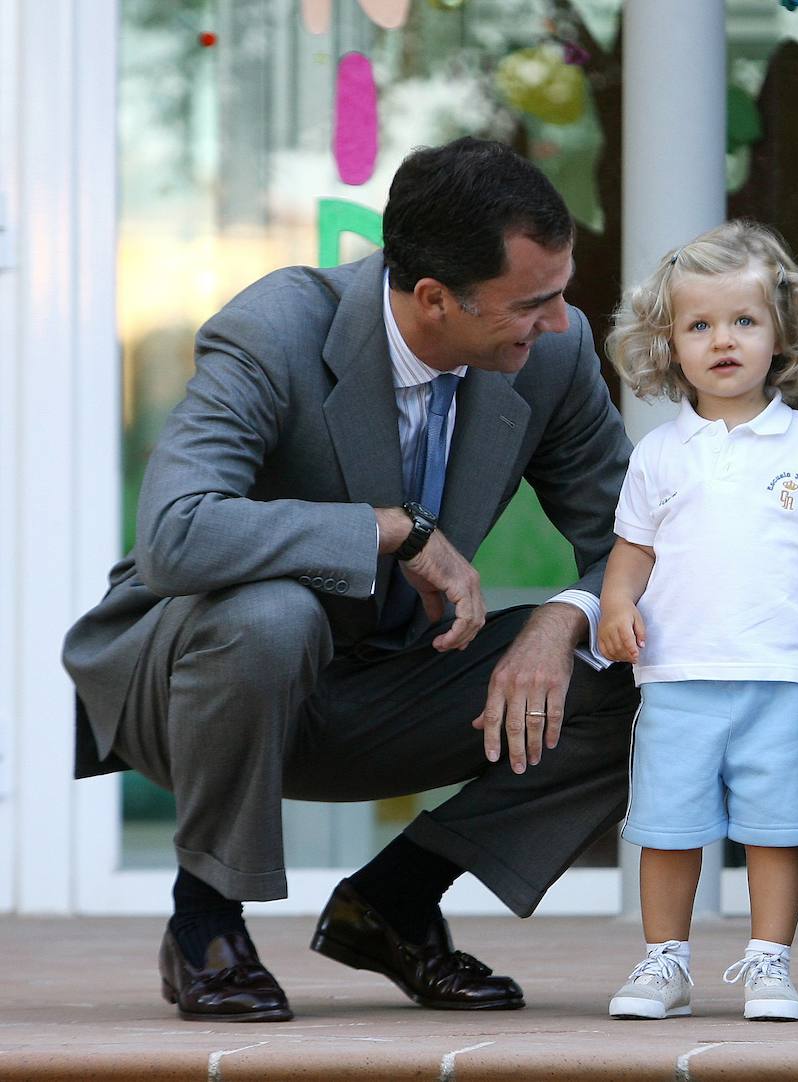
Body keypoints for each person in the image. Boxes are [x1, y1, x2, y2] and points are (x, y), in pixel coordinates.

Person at [61, 137, 639, 1022]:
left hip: (381, 684)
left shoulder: (554, 359)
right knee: (273, 616)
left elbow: (634, 540)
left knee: (638, 672)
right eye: (533, 303)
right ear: (435, 299)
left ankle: (395, 903)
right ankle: (204, 923)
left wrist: (563, 617)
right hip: (195, 680)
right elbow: (175, 534)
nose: (558, 322)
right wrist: (392, 532)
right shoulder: (278, 328)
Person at [597, 221, 798, 1022]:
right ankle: (664, 962)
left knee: (775, 831)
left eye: (743, 321)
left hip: (782, 673)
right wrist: (614, 605)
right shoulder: (658, 455)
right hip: (678, 674)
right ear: (667, 343)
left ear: (782, 333)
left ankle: (769, 962)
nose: (722, 341)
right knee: (669, 830)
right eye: (699, 325)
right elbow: (632, 551)